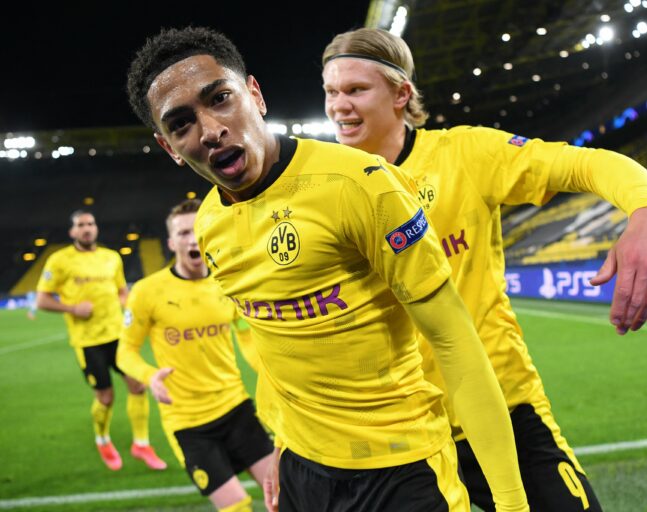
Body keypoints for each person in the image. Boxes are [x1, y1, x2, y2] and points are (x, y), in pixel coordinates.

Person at [127, 26, 530, 512]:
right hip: (303, 475)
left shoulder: (363, 186)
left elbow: (455, 341)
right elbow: (274, 346)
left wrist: (510, 501)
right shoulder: (210, 224)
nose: (211, 129)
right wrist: (281, 441)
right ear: (169, 146)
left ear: (255, 94)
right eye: (181, 123)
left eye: (220, 98)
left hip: (403, 473)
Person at [320, 28, 647, 512]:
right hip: (406, 439)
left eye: (356, 90)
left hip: (508, 412)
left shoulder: (465, 155)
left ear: (402, 93)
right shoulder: (323, 188)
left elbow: (582, 165)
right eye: (331, 92)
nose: (339, 105)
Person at [117, 199, 274, 512]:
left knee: (283, 497)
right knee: (237, 507)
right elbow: (126, 351)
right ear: (171, 242)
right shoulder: (147, 292)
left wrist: (271, 372)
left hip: (236, 407)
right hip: (188, 423)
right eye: (183, 232)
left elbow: (244, 333)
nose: (192, 239)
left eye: (197, 230)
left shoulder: (227, 282)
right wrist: (149, 376)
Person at [36, 210, 166, 471]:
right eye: (81, 225)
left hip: (119, 336)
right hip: (88, 341)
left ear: (96, 228)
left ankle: (141, 444)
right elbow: (42, 300)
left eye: (91, 224)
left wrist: (132, 308)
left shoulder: (111, 258)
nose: (87, 229)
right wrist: (73, 309)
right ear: (72, 232)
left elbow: (121, 292)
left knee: (137, 386)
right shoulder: (59, 260)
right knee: (105, 397)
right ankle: (102, 438)